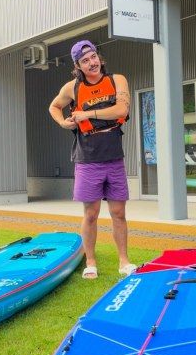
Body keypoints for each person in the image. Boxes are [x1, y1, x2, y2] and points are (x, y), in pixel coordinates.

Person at [48, 40, 136, 279]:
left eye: (93, 57)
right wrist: (62, 121)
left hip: (114, 157)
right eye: (85, 61)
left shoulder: (117, 80)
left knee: (118, 212)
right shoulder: (72, 88)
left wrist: (86, 113)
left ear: (99, 57)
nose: (92, 63)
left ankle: (124, 261)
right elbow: (54, 106)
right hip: (87, 159)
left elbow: (121, 111)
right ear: (78, 66)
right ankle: (91, 262)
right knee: (91, 214)